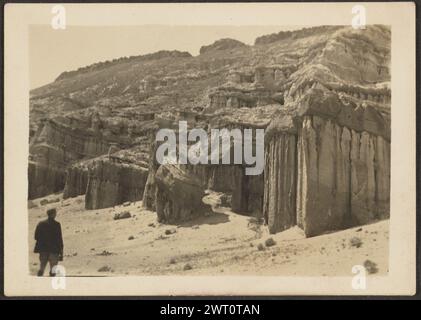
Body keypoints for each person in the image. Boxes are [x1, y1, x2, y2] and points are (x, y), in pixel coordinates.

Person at [34, 208, 64, 276]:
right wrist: (61, 250)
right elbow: (59, 238)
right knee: (53, 270)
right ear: (53, 214)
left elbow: (36, 236)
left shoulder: (41, 224)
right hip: (54, 249)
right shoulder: (57, 224)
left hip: (43, 249)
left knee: (41, 268)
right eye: (55, 213)